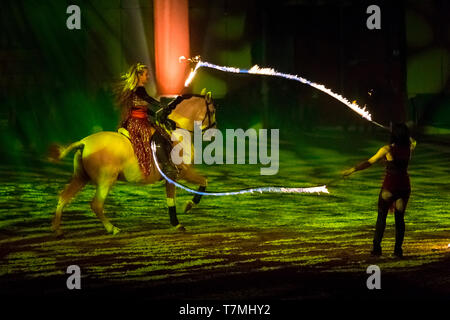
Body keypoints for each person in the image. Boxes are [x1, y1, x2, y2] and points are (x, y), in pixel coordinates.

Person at [342, 123, 416, 257]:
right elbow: (412, 142)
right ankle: (398, 250)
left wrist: (352, 170)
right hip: (404, 186)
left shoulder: (387, 149)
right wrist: (408, 138)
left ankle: (377, 249)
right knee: (400, 220)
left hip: (390, 187)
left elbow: (369, 162)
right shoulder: (409, 149)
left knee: (381, 217)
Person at [115, 63, 177, 178]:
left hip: (140, 120)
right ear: (139, 75)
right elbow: (148, 99)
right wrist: (162, 105)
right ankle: (166, 166)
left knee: (161, 132)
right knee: (160, 136)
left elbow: (144, 109)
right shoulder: (139, 89)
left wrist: (156, 113)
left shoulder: (135, 90)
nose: (148, 77)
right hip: (137, 123)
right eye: (146, 74)